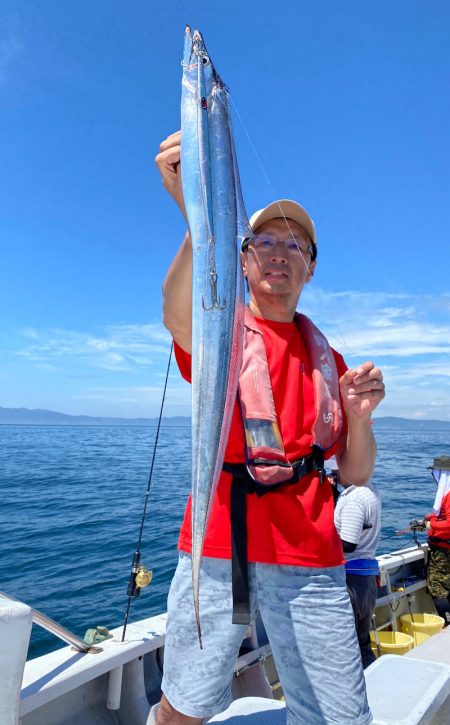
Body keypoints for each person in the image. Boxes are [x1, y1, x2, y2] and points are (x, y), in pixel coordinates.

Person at [155, 129, 385, 725]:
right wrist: (195, 219)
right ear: (242, 257)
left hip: (311, 556)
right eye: (263, 241)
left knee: (337, 715)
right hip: (216, 551)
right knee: (183, 708)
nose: (279, 252)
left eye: (296, 246)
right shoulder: (218, 330)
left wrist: (358, 419)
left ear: (310, 269)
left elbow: (354, 473)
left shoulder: (326, 359)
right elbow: (178, 316)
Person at [333, 466, 381, 668]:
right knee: (361, 644)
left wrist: (313, 541)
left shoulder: (353, 500)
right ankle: (374, 688)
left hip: (351, 581)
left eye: (334, 473)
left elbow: (348, 543)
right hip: (366, 578)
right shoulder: (370, 490)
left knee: (346, 648)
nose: (332, 477)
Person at [422, 456, 450, 626]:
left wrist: (430, 524)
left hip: (443, 553)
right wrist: (430, 519)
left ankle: (447, 624)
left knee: (437, 589)